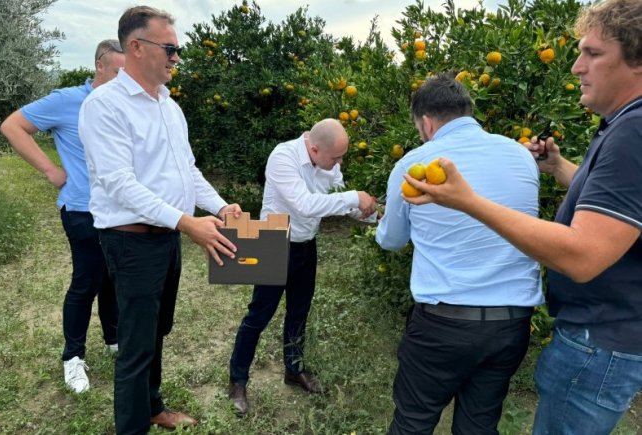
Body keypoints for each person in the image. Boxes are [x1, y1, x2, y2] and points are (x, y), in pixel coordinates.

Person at [402, 1, 642, 433]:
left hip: (598, 341)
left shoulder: (633, 132)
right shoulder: (623, 126)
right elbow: (621, 207)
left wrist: (467, 201)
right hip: (557, 329)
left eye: (592, 53)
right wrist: (560, 167)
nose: (576, 67)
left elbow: (583, 255)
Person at [78, 6, 242, 434]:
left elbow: (187, 171)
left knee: (155, 331)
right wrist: (187, 223)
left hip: (166, 237)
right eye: (170, 49)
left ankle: (152, 406)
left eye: (176, 49)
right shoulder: (104, 106)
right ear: (136, 47)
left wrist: (219, 207)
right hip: (131, 242)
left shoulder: (169, 106)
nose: (176, 58)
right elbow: (119, 184)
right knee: (135, 346)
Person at [376, 74, 544, 434]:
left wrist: (383, 220)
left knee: (412, 423)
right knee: (479, 426)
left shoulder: (415, 164)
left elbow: (392, 240)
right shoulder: (521, 155)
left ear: (426, 123)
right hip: (510, 324)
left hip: (443, 324)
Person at [227, 118, 376, 415]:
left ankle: (293, 370)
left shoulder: (328, 161)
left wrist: (371, 213)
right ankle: (238, 381)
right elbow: (306, 204)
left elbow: (341, 201)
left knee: (299, 312)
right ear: (315, 149)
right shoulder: (283, 157)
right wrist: (353, 197)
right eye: (336, 158)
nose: (339, 164)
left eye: (341, 157)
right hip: (274, 242)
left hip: (306, 244)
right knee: (258, 315)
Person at [0, 39, 125, 394]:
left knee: (112, 278)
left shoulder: (122, 104)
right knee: (86, 282)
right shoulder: (68, 100)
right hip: (82, 209)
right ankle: (73, 357)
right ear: (99, 65)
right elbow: (12, 126)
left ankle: (114, 340)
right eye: (118, 72)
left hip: (118, 210)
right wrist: (50, 170)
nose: (124, 80)